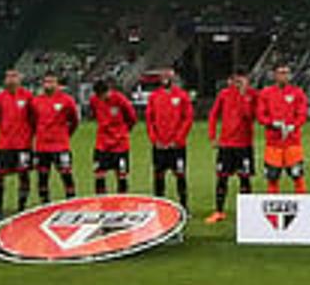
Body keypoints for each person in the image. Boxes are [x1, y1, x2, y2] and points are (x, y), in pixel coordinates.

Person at [206, 71, 258, 222]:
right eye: (236, 79)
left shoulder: (252, 95)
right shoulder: (224, 94)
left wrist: (243, 96)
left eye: (241, 79)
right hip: (226, 144)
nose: (238, 82)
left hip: (244, 144)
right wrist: (212, 136)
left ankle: (247, 213)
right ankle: (219, 211)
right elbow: (213, 115)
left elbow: (250, 116)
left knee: (245, 179)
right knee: (222, 178)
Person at [0, 68, 36, 219]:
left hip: (23, 145)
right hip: (4, 145)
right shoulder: (0, 98)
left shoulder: (28, 97)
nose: (11, 79)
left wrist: (27, 136)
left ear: (20, 79)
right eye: (8, 76)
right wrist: (6, 133)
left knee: (23, 175)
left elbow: (34, 120)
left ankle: (21, 209)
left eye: (14, 76)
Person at [145, 70, 194, 207]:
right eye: (163, 77)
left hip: (177, 147)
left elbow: (188, 119)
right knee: (158, 176)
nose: (165, 79)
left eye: (168, 77)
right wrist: (155, 140)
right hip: (159, 146)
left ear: (173, 78)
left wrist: (178, 140)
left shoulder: (182, 96)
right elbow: (150, 120)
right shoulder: (154, 96)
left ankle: (184, 206)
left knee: (180, 174)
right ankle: (159, 205)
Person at [257, 65, 309, 194]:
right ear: (274, 75)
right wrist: (272, 123)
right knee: (272, 178)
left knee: (298, 177)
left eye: (286, 73)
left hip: (293, 143)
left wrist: (293, 125)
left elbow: (302, 114)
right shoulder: (266, 93)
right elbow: (260, 115)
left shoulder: (297, 93)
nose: (284, 76)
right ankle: (273, 213)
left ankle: (302, 208)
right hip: (273, 144)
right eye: (280, 73)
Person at [31, 73, 80, 204]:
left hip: (61, 146)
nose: (48, 84)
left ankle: (72, 202)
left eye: (52, 82)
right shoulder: (36, 101)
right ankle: (44, 204)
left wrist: (65, 135)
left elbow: (74, 120)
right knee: (42, 177)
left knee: (66, 175)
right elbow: (32, 121)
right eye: (46, 81)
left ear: (58, 84)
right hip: (41, 147)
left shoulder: (67, 100)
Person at [89, 79, 136, 195]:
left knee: (121, 176)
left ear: (108, 91)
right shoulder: (94, 100)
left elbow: (132, 117)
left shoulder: (119, 99)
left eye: (103, 95)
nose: (102, 98)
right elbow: (95, 115)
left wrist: (123, 132)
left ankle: (122, 204)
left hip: (120, 145)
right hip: (102, 144)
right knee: (99, 175)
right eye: (99, 96)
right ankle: (101, 203)